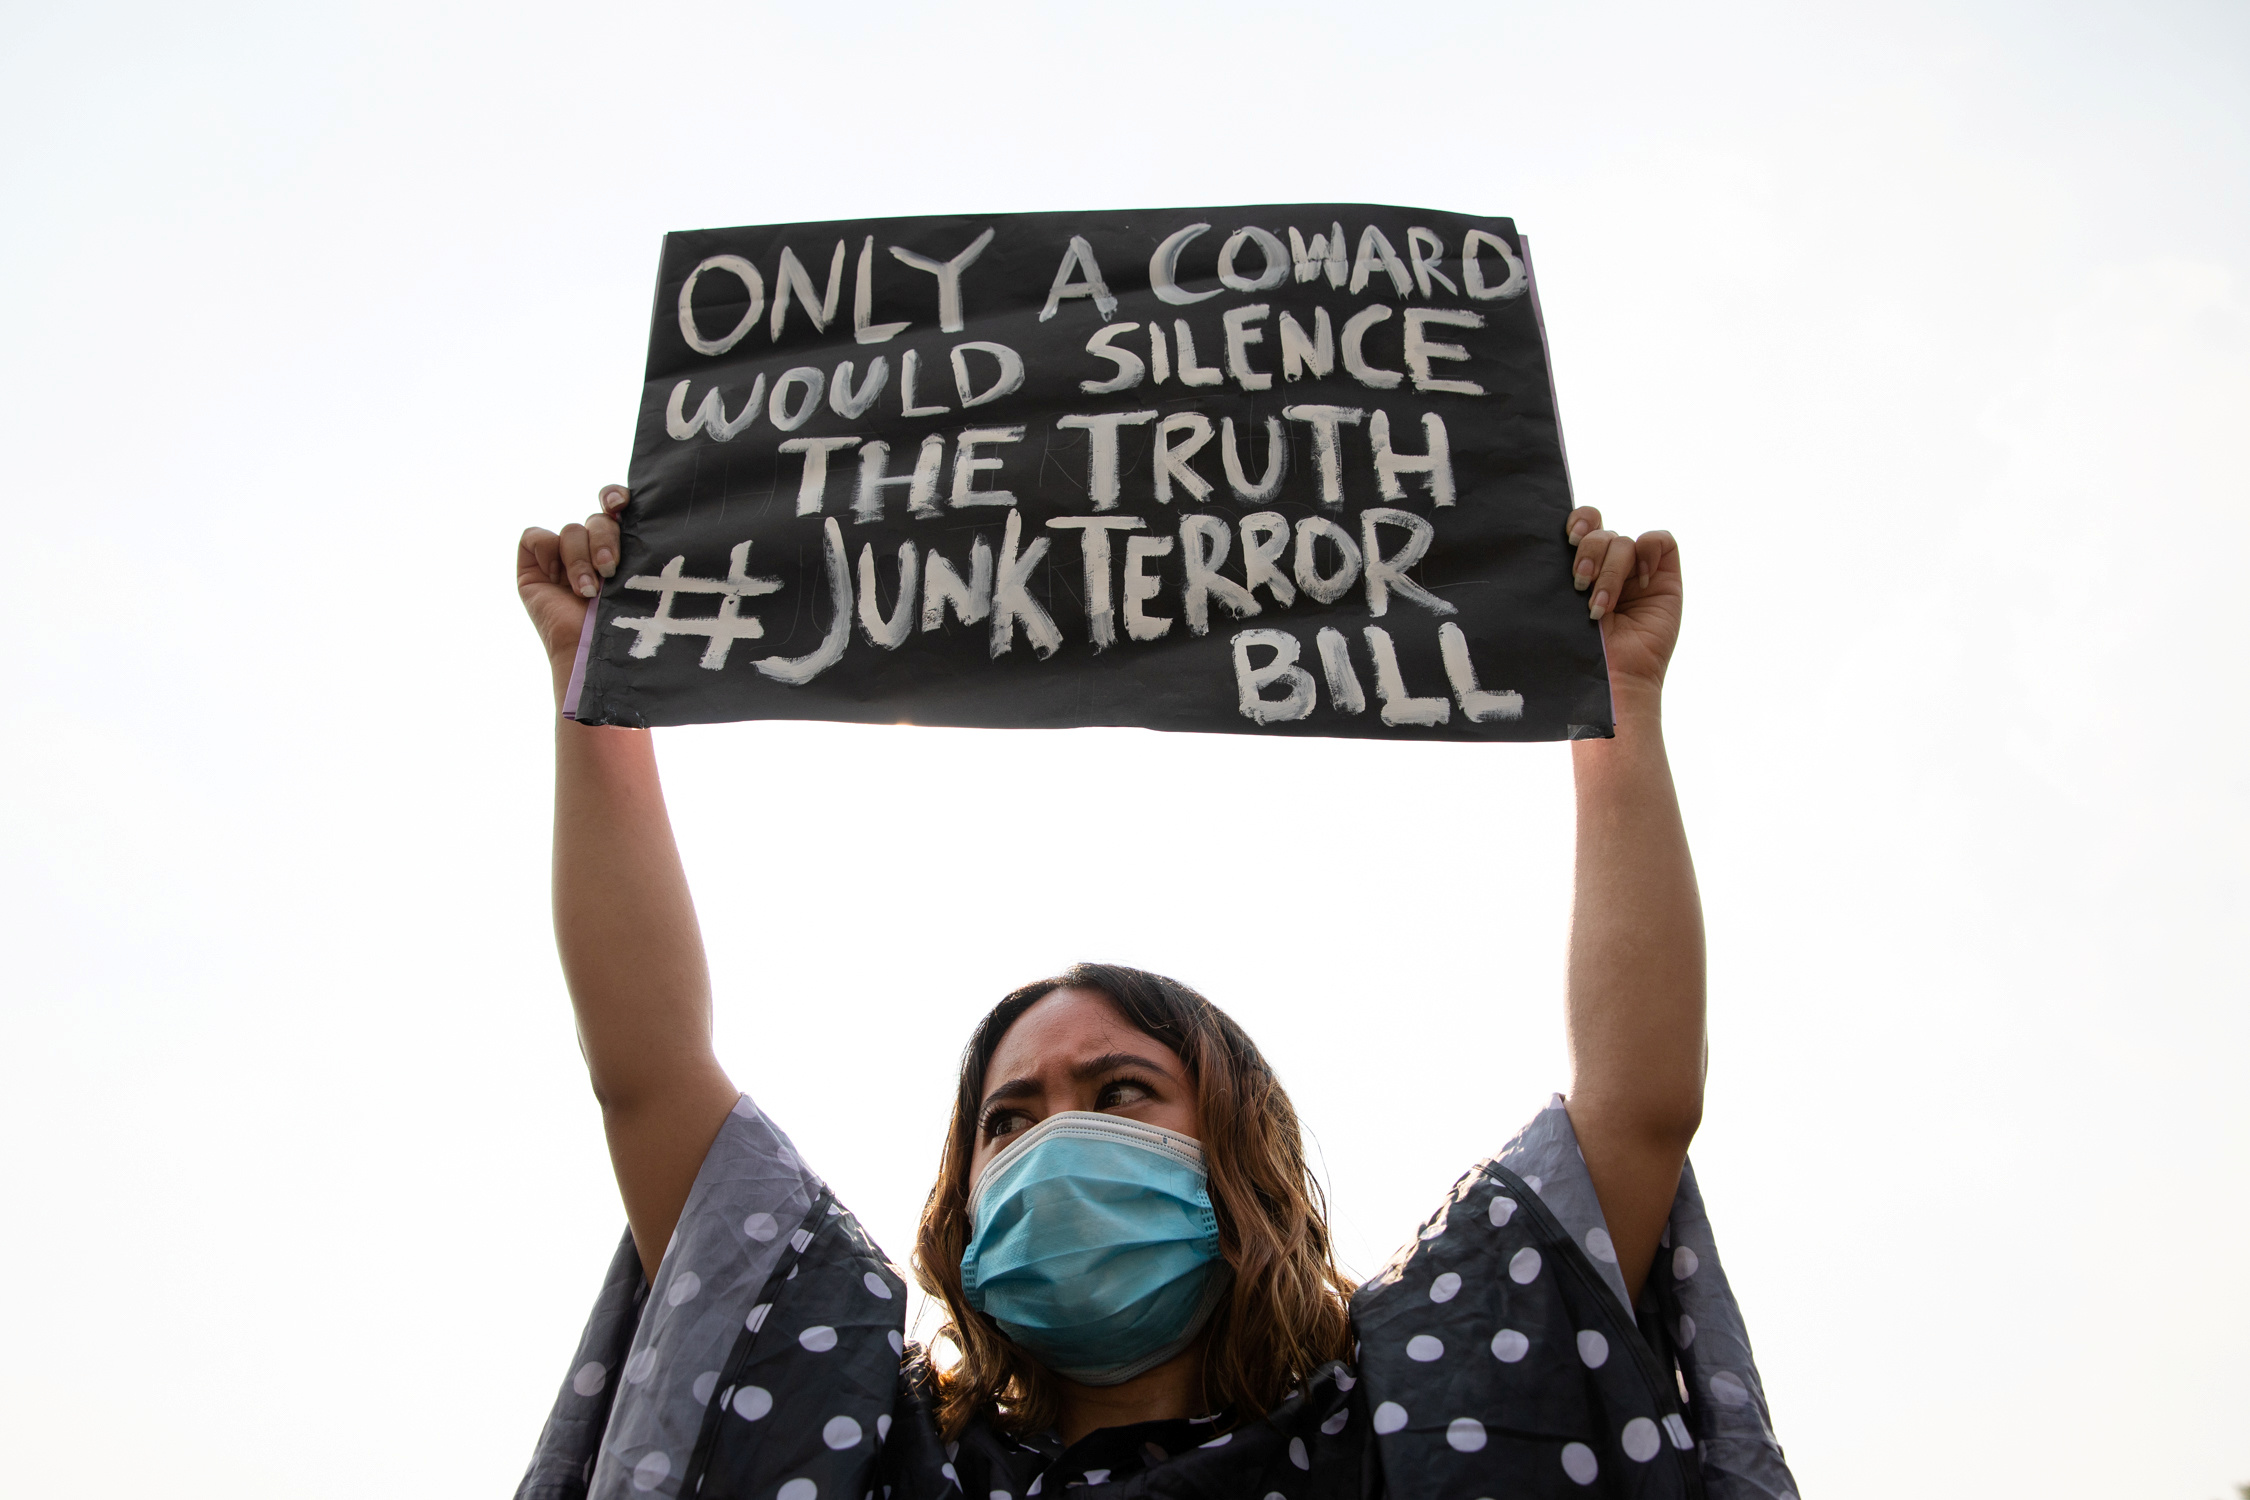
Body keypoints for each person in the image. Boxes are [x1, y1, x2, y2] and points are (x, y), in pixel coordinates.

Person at [511, 488, 1796, 1500]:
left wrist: (1618, 700)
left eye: (1123, 1091)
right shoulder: (870, 1451)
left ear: (1243, 1152)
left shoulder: (1409, 1424)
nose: (1058, 1136)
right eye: (1009, 1119)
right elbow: (647, 1071)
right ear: (960, 1195)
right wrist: (596, 696)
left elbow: (1635, 1109)